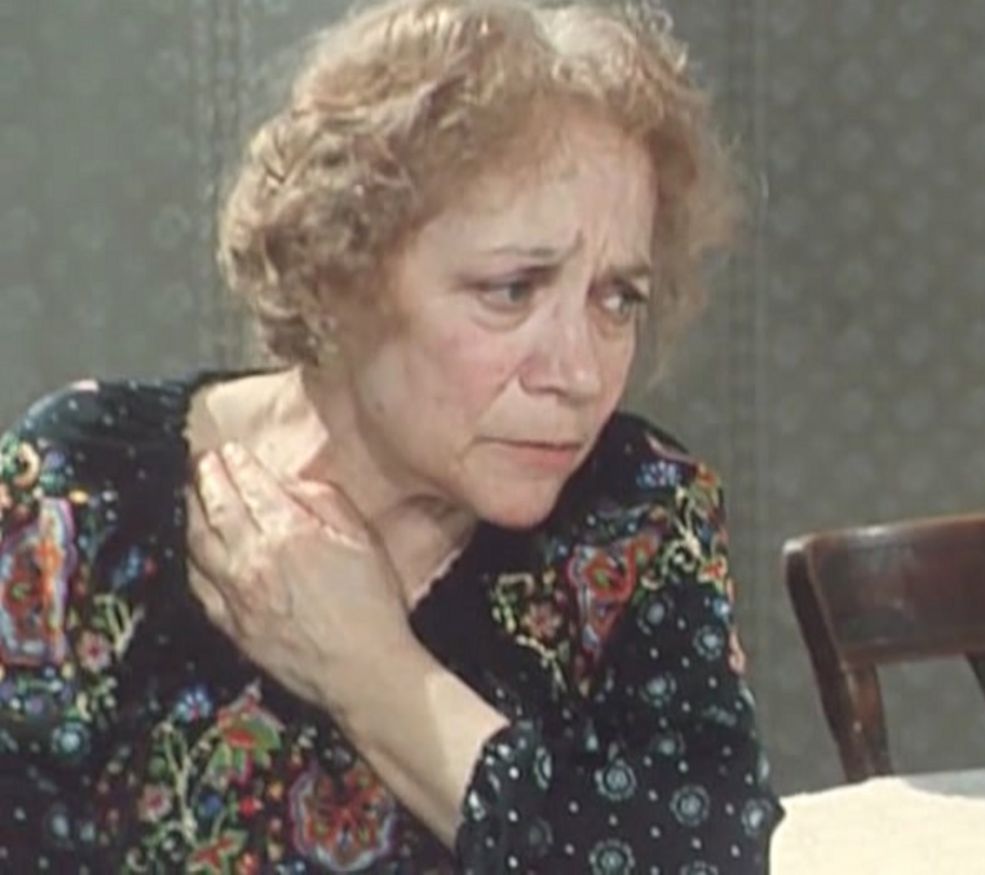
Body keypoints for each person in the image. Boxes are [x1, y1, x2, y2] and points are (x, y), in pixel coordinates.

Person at [0, 0, 782, 870]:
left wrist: (373, 672)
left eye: (616, 298)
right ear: (341, 271)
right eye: (512, 290)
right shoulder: (82, 489)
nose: (579, 371)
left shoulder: (636, 518)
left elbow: (707, 858)